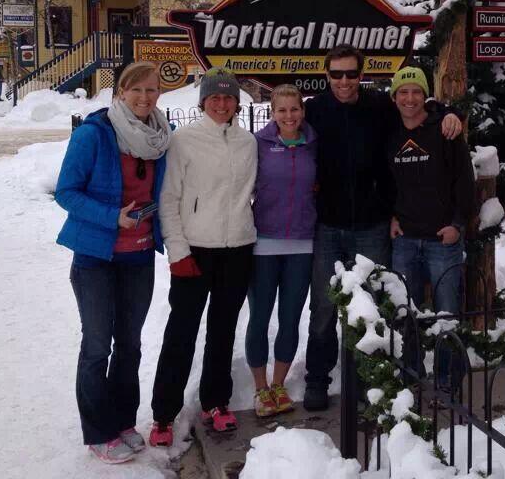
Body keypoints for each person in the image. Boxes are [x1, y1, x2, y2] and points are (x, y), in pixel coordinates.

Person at [302, 45, 463, 410]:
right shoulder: (315, 110)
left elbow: (417, 108)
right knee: (324, 307)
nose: (344, 81)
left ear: (362, 75)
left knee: (373, 306)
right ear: (327, 75)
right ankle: (317, 379)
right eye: (336, 74)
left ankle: (367, 380)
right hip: (328, 225)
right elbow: (284, 124)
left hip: (372, 226)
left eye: (351, 74)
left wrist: (449, 112)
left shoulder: (379, 107)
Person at [54, 61, 171, 464]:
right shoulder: (94, 134)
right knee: (97, 345)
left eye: (151, 90)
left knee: (130, 345)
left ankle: (122, 422)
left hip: (139, 256)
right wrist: (112, 217)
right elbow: (66, 192)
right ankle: (98, 432)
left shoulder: (161, 137)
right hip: (96, 258)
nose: (144, 97)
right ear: (120, 92)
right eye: (135, 89)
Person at [149, 68, 257, 447]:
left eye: (229, 98)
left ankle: (216, 401)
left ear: (237, 103)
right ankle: (164, 414)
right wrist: (177, 251)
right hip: (194, 250)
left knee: (223, 330)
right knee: (181, 332)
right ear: (203, 102)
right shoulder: (184, 140)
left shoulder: (248, 142)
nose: (222, 104)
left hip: (237, 249)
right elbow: (168, 199)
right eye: (215, 98)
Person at [386, 66, 475, 389]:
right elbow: (384, 182)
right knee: (405, 311)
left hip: (442, 239)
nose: (409, 99)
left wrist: (458, 224)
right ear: (394, 97)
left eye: (416, 92)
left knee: (446, 313)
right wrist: (391, 217)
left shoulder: (445, 131)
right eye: (403, 92)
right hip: (405, 239)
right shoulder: (390, 133)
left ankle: (448, 377)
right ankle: (411, 373)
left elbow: (464, 181)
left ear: (425, 96)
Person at [245, 84, 317, 417]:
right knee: (260, 317)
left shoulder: (314, 144)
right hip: (263, 242)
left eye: (294, 109)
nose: (289, 116)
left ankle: (278, 385)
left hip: (302, 243)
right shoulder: (258, 144)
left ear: (302, 110)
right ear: (272, 112)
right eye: (282, 110)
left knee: (290, 318)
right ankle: (260, 388)